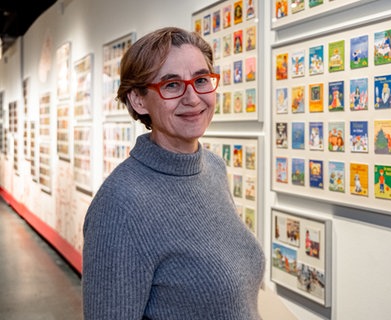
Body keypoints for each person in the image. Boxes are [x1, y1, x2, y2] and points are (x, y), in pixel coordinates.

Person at [82, 27, 265, 320]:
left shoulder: (213, 168)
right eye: (171, 85)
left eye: (201, 80)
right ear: (138, 100)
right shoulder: (120, 205)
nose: (192, 98)